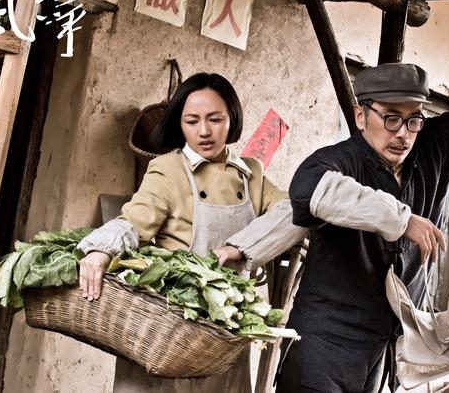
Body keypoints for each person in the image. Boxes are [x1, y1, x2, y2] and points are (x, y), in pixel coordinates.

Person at [276, 62, 449, 393]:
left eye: (414, 119)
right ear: (360, 116)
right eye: (391, 118)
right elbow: (307, 188)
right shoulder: (337, 162)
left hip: (385, 349)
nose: (403, 133)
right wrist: (401, 219)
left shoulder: (432, 149)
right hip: (323, 345)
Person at [76, 72, 308, 393]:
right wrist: (102, 250)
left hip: (226, 332)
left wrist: (238, 249)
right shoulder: (168, 168)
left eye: (215, 119)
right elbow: (136, 220)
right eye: (191, 121)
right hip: (172, 328)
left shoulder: (250, 174)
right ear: (179, 124)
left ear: (232, 119)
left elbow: (296, 211)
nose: (204, 132)